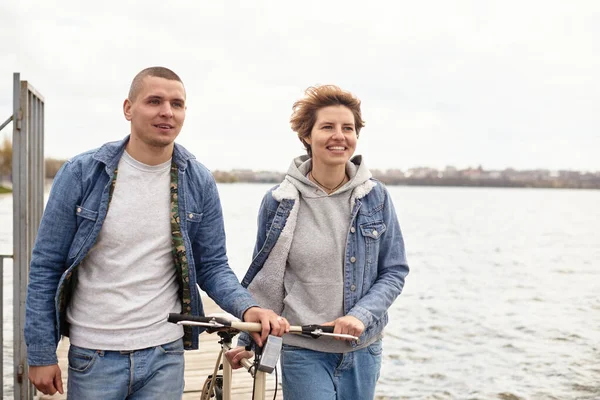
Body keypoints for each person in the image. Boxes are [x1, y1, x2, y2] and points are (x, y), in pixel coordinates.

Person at [24, 66, 288, 399]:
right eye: (154, 101)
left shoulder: (198, 181)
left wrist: (250, 309)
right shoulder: (81, 173)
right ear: (128, 108)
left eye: (177, 104)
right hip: (94, 355)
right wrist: (41, 353)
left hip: (165, 353)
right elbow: (46, 266)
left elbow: (213, 266)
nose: (167, 111)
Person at [225, 85, 409, 399]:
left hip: (362, 351)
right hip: (303, 350)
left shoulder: (375, 197)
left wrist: (359, 317)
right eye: (327, 127)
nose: (339, 135)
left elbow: (394, 272)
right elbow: (267, 279)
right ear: (307, 136)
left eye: (347, 128)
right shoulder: (278, 201)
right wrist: (246, 341)